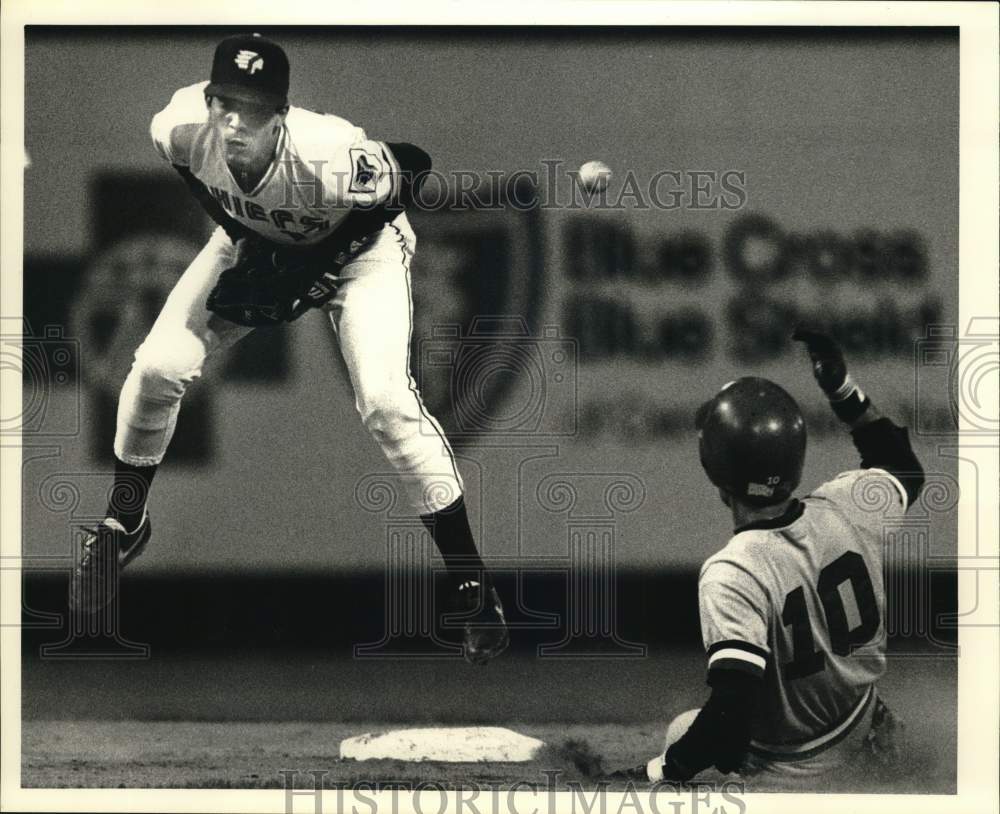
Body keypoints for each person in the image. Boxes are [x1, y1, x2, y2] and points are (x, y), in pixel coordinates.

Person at [70, 32, 509, 666]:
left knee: (387, 405)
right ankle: (124, 521)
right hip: (258, 242)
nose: (232, 122)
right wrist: (249, 241)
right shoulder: (180, 127)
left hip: (363, 255)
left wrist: (308, 268)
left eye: (251, 110)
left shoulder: (328, 154)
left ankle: (472, 585)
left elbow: (415, 165)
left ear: (280, 115)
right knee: (159, 366)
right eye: (224, 104)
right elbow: (200, 181)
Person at [614, 328, 924, 789]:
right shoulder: (850, 504)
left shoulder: (733, 570)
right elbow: (904, 469)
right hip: (868, 727)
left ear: (717, 475)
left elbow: (728, 720)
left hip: (799, 774)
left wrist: (658, 770)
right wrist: (843, 392)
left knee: (682, 731)